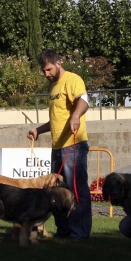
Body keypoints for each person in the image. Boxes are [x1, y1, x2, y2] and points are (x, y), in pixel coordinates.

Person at [27, 49, 91, 240]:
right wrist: (38, 130)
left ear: (58, 63)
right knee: (57, 192)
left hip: (73, 145)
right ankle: (64, 231)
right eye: (43, 71)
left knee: (76, 189)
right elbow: (56, 120)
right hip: (57, 148)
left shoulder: (73, 80)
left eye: (48, 69)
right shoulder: (53, 88)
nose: (46, 74)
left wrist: (76, 115)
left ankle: (79, 233)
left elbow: (84, 100)